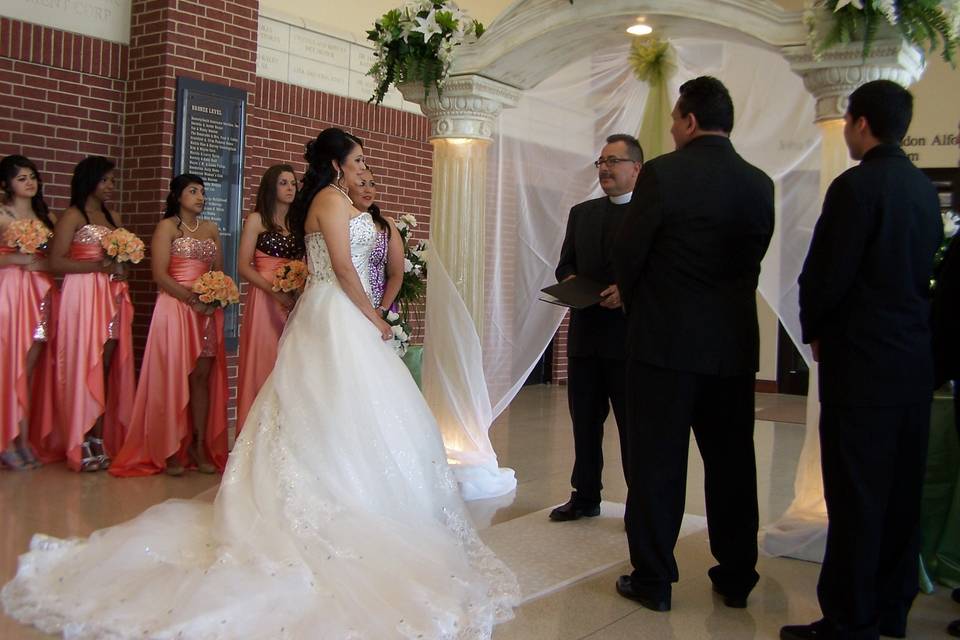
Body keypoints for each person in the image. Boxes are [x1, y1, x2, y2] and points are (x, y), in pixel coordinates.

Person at [1, 128, 519, 639]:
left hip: (344, 312)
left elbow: (370, 261)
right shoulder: (330, 202)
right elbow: (340, 266)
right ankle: (324, 506)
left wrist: (377, 306)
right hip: (335, 314)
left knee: (350, 409)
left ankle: (361, 495)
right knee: (323, 402)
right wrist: (375, 317)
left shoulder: (343, 202)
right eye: (358, 158)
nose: (364, 165)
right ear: (337, 164)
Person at [781, 80, 943, 640]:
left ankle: (849, 619)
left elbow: (828, 272)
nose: (847, 131)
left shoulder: (857, 187)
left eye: (848, 121)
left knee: (854, 495)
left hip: (862, 364)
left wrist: (816, 331)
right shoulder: (924, 190)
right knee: (900, 493)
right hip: (912, 363)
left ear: (862, 123)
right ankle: (892, 610)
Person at [612, 76, 774, 611]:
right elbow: (748, 262)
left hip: (664, 346)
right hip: (731, 348)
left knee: (658, 464)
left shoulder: (663, 174)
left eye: (675, 120)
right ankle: (736, 576)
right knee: (732, 464)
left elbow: (630, 256)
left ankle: (654, 579)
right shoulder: (759, 184)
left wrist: (643, 307)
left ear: (688, 120)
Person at [110, 174, 229, 477]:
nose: (200, 197)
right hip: (175, 307)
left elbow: (219, 273)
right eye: (193, 191)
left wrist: (215, 297)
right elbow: (160, 275)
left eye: (202, 192)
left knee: (201, 376)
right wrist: (192, 299)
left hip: (206, 309)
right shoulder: (166, 228)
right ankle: (170, 446)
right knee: (173, 375)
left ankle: (199, 444)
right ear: (178, 196)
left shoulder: (212, 229)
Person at [550, 133, 642, 522]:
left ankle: (640, 504)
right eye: (601, 162)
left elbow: (659, 271)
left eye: (613, 161)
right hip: (586, 336)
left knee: (633, 429)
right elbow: (565, 264)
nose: (604, 168)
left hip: (630, 340)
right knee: (585, 424)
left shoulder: (650, 215)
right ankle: (585, 495)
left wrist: (627, 291)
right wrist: (570, 281)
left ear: (636, 168)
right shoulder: (582, 213)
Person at [48, 156, 135, 472]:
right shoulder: (73, 216)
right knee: (86, 360)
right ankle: (80, 434)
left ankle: (98, 434)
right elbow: (55, 262)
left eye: (112, 180)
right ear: (90, 181)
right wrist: (96, 267)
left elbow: (120, 257)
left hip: (111, 294)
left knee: (107, 361)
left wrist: (121, 268)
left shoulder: (113, 215)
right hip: (83, 293)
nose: (111, 186)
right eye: (106, 180)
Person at [0, 155, 57, 470]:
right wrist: (15, 260)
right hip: (10, 291)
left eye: (32, 176)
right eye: (21, 178)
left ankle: (23, 436)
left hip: (41, 292)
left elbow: (55, 256)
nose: (29, 182)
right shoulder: (2, 214)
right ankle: (6, 439)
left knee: (31, 365)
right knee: (8, 364)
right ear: (7, 183)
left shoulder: (43, 215)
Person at [236, 164, 302, 433]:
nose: (290, 188)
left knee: (289, 362)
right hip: (265, 299)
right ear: (271, 187)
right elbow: (243, 266)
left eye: (293, 183)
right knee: (264, 359)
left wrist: (296, 288)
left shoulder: (297, 224)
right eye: (283, 183)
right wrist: (274, 291)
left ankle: (282, 431)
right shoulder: (257, 220)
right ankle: (254, 432)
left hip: (293, 297)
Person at [347, 169, 404, 314]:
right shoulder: (338, 222)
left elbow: (396, 273)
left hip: (378, 305)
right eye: (361, 184)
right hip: (345, 301)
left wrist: (383, 309)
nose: (368, 190)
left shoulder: (386, 225)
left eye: (372, 184)